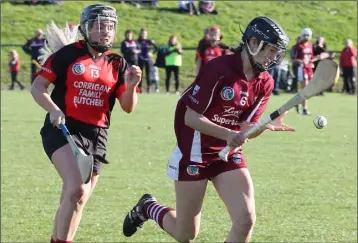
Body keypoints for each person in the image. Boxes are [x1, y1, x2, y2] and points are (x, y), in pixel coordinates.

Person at [123, 16, 294, 243]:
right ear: (253, 43)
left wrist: (263, 127)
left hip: (227, 154)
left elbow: (245, 128)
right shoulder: (218, 69)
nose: (274, 57)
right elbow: (191, 118)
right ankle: (148, 207)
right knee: (186, 234)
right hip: (195, 152)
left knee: (245, 220)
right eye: (271, 50)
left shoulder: (265, 82)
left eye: (277, 52)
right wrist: (229, 135)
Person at [30, 4, 142, 243]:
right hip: (62, 129)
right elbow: (38, 87)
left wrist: (131, 87)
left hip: (97, 137)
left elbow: (128, 106)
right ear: (87, 28)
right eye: (100, 26)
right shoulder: (68, 55)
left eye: (110, 26)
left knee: (76, 199)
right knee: (77, 189)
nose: (106, 31)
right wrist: (53, 109)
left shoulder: (117, 63)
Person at [293, 28, 321, 115]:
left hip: (309, 69)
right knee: (305, 89)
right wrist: (301, 61)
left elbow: (312, 57)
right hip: (302, 69)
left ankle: (297, 102)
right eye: (305, 35)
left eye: (308, 35)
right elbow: (294, 59)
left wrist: (316, 58)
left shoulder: (311, 46)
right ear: (302, 35)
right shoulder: (298, 46)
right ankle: (304, 109)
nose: (306, 37)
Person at [137, 28, 158, 93]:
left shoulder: (149, 41)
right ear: (140, 34)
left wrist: (152, 53)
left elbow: (156, 48)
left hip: (147, 59)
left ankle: (148, 88)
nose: (143, 34)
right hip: (140, 59)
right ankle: (139, 88)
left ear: (146, 34)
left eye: (145, 33)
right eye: (142, 33)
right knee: (140, 74)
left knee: (148, 74)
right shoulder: (137, 41)